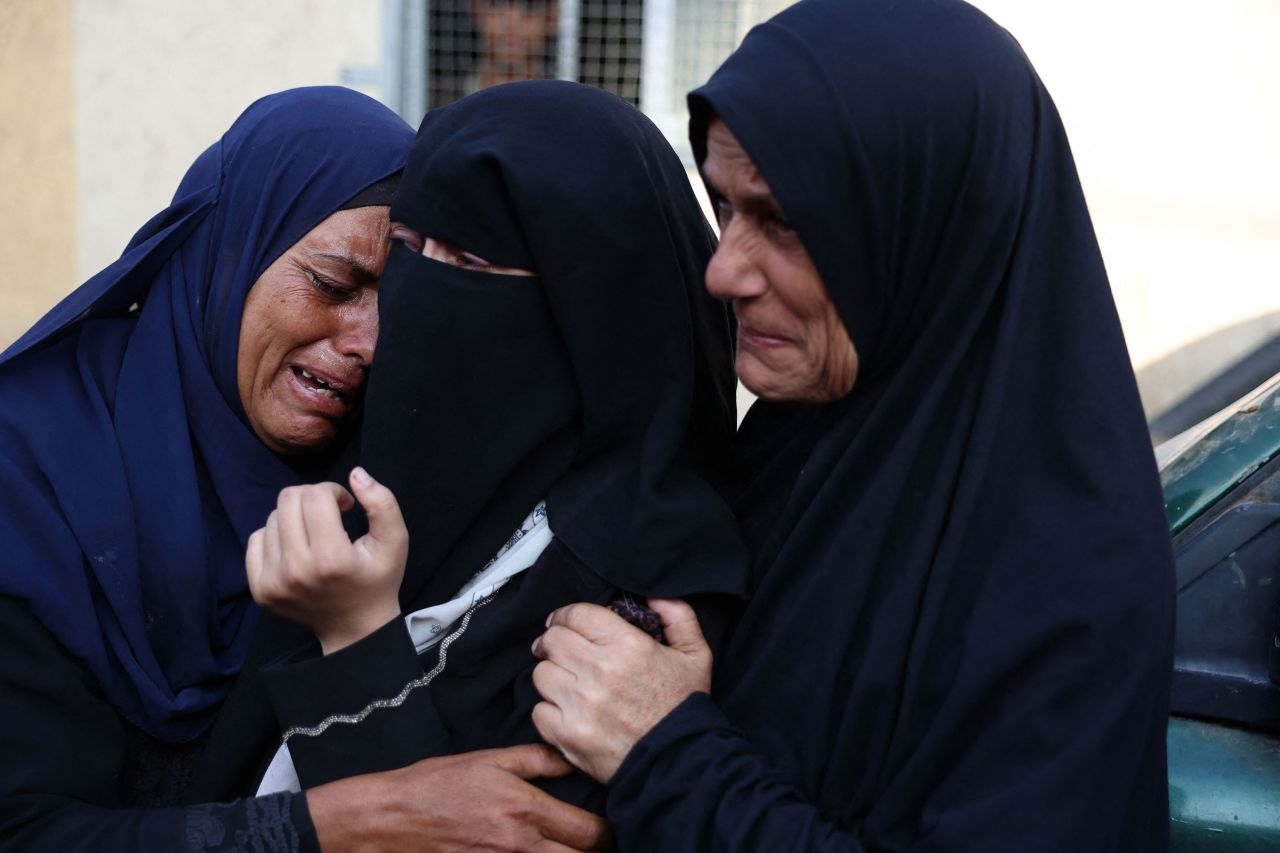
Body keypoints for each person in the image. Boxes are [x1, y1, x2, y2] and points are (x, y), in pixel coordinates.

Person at [529, 1, 1178, 850]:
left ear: (929, 227)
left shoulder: (1069, 585)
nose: (723, 270)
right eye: (722, 205)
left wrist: (669, 753)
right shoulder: (793, 443)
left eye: (785, 221)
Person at [229, 80, 748, 821]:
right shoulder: (374, 466)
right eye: (409, 250)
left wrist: (354, 638)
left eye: (468, 264)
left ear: (593, 308)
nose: (418, 299)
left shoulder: (651, 585)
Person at [0, 86, 418, 849]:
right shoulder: (26, 469)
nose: (370, 341)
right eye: (333, 285)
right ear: (229, 251)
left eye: (402, 305)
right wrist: (326, 829)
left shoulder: (371, 495)